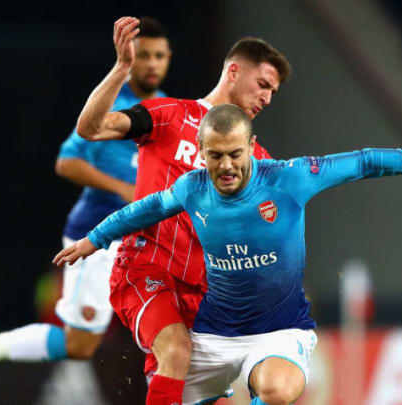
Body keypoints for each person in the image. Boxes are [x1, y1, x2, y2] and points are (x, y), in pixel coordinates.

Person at [54, 104, 402, 404]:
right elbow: (146, 209)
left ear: (252, 146)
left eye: (236, 154)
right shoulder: (192, 188)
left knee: (278, 388)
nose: (226, 166)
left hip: (279, 332)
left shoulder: (290, 179)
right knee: (163, 384)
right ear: (201, 154)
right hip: (214, 335)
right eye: (215, 156)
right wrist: (96, 238)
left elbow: (366, 161)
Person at [0, 17, 172, 399]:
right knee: (80, 345)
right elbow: (66, 162)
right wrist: (122, 188)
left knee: (176, 326)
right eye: (143, 54)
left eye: (159, 55)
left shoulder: (169, 110)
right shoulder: (110, 107)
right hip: (95, 233)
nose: (151, 63)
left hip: (144, 239)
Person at [70, 17, 287, 405]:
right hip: (145, 270)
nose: (268, 98)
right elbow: (91, 127)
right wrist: (121, 69)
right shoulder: (170, 115)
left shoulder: (256, 158)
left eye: (273, 91)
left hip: (205, 297)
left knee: (205, 394)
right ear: (234, 72)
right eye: (263, 85)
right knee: (176, 349)